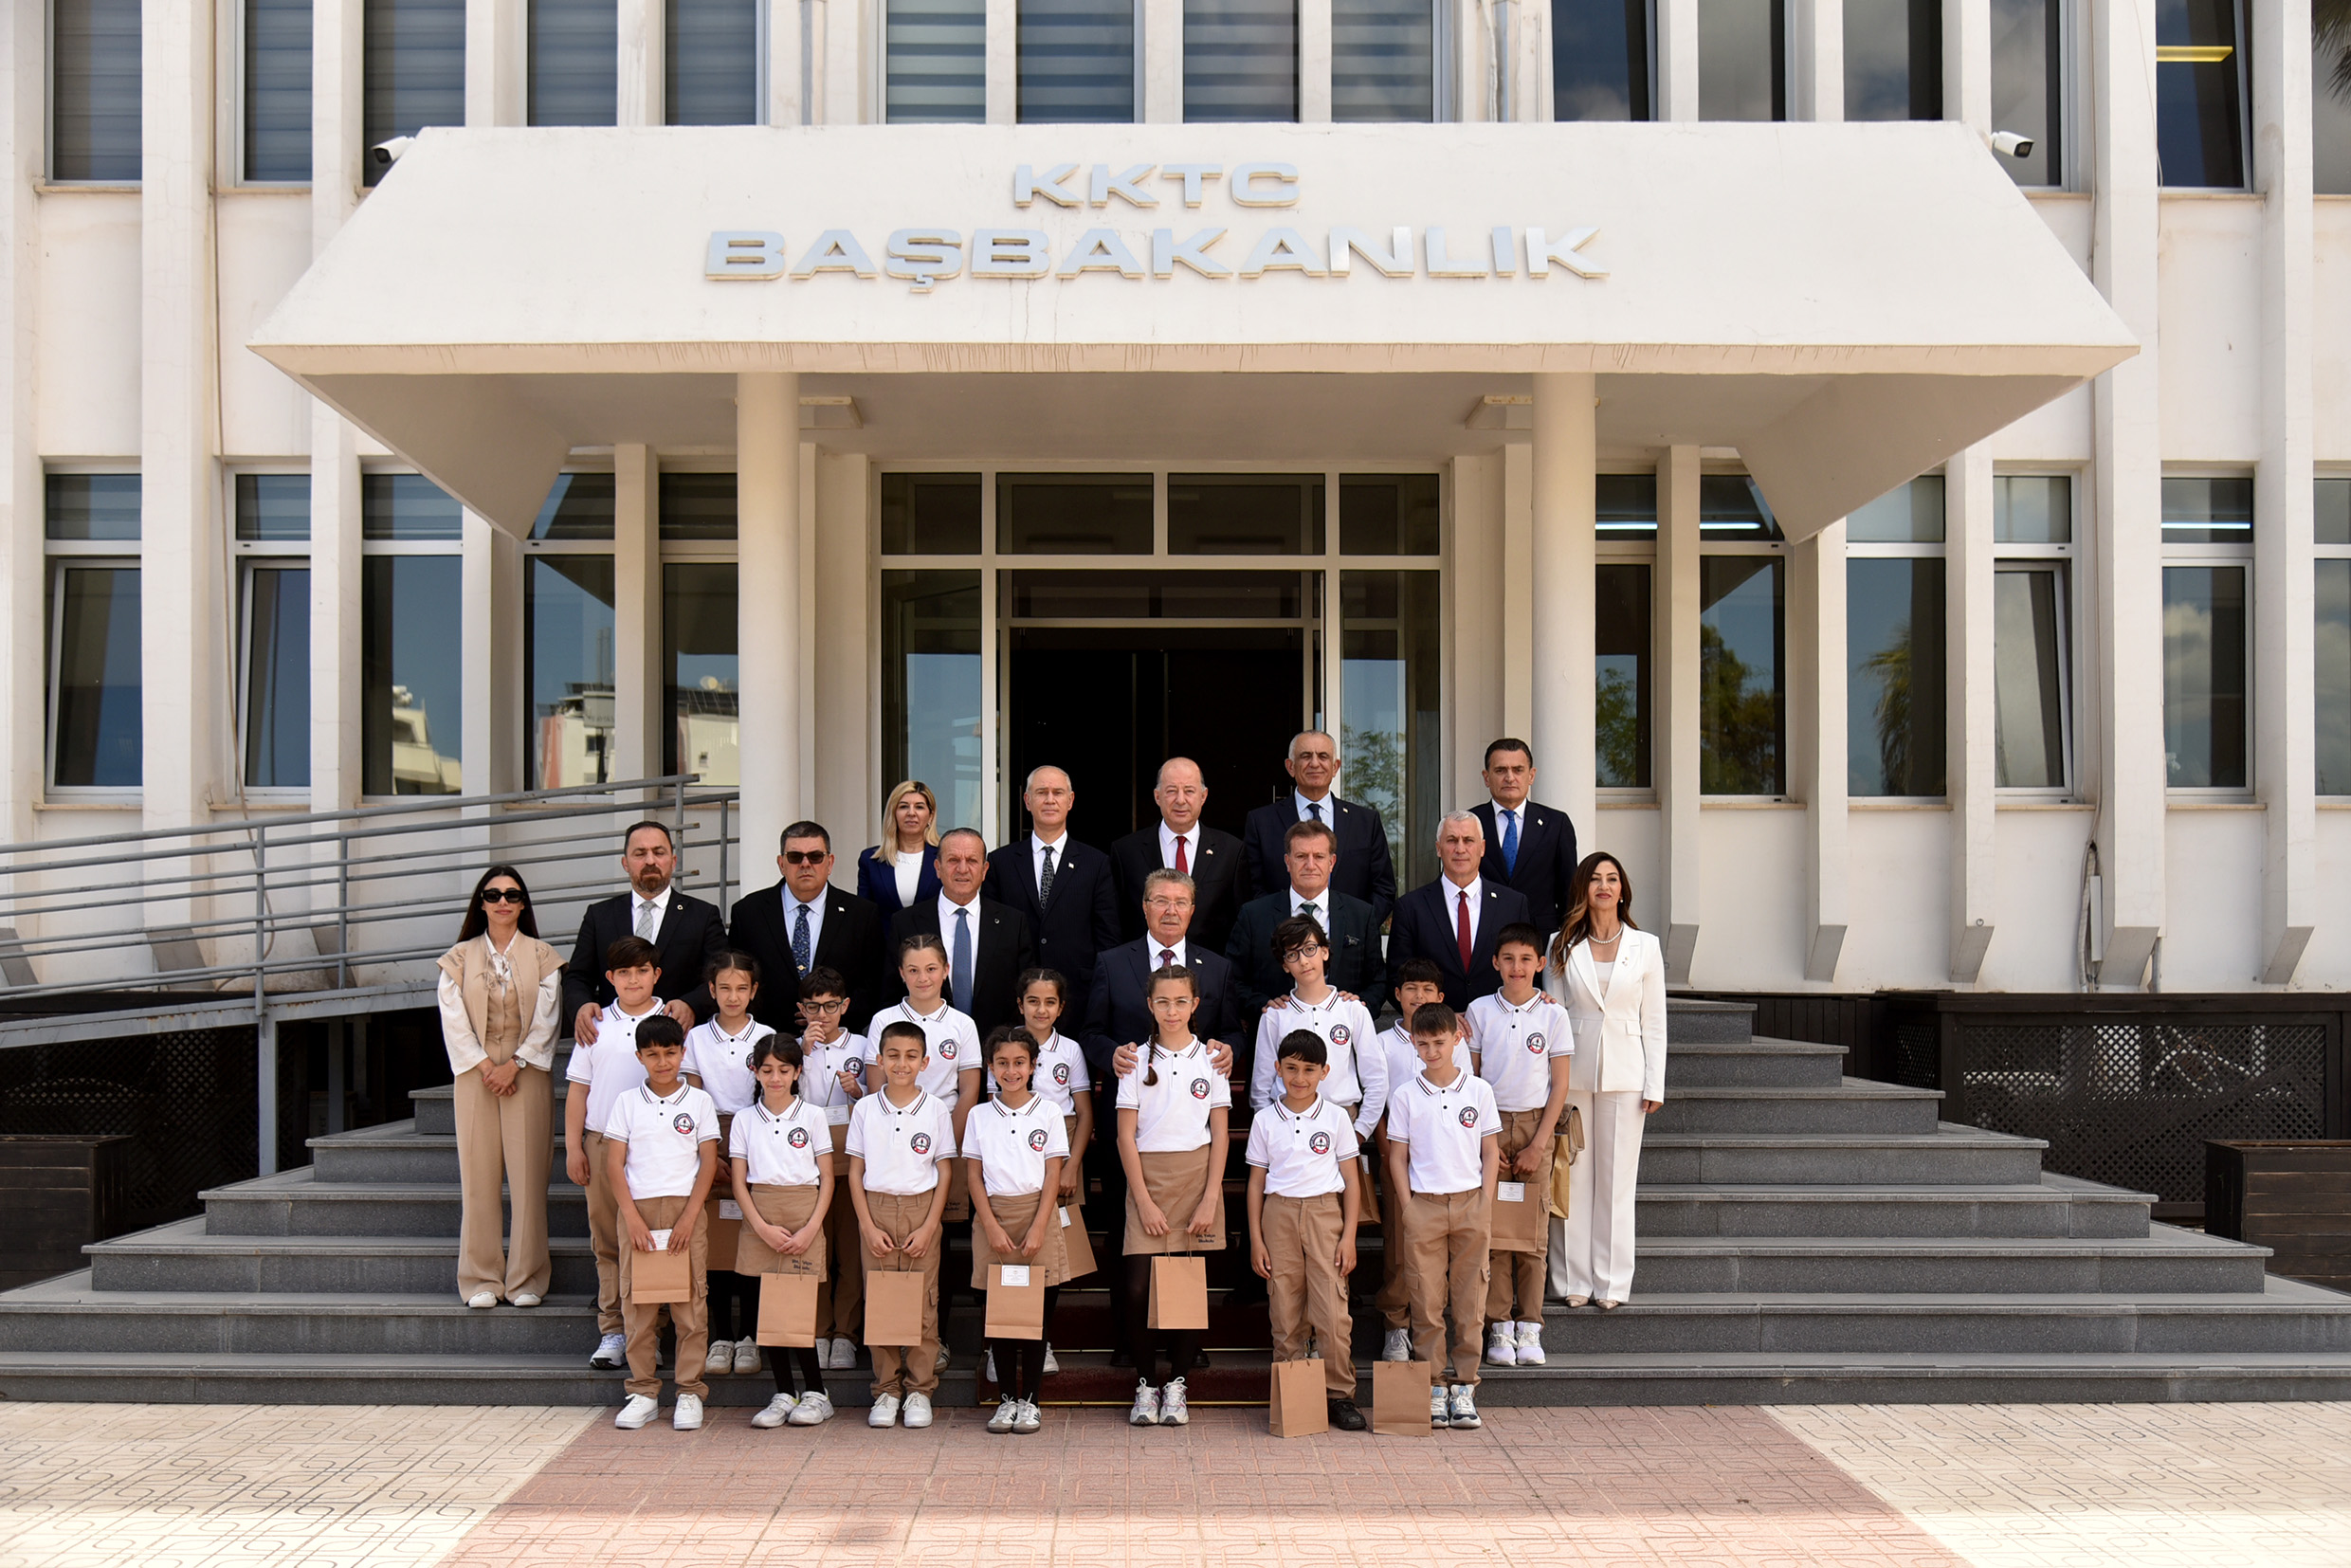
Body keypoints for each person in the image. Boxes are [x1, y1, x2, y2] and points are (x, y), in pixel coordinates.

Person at [1544, 852, 1668, 1311]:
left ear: (1622, 890)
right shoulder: (1560, 944)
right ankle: (1571, 1279)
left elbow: (1654, 1020)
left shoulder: (1646, 946)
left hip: (1627, 1073)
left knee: (1617, 1182)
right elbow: (1553, 1017)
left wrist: (1655, 1083)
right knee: (1572, 1177)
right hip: (1572, 1074)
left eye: (1612, 879)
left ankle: (1612, 1282)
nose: (1604, 886)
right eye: (1595, 878)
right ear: (1583, 887)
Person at [436, 866, 561, 1311]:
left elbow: (548, 1018)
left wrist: (516, 1064)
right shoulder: (458, 957)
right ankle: (480, 1278)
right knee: (478, 1176)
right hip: (476, 1073)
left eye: (511, 894)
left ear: (523, 903)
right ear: (482, 903)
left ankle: (527, 1277)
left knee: (529, 1178)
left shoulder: (544, 956)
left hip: (527, 1070)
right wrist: (487, 1065)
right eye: (493, 895)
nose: (503, 902)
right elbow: (453, 1019)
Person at [1116, 965, 1230, 1429]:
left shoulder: (1212, 1060)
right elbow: (1125, 1136)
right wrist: (1143, 1200)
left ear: (1195, 1004)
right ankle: (1146, 1384)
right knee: (1137, 1288)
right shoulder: (1134, 1061)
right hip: (1148, 1179)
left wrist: (1210, 1198)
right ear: (1150, 1005)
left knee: (1186, 1287)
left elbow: (1219, 1134)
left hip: (1197, 1178)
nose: (1172, 1011)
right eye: (1162, 1002)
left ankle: (1178, 1384)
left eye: (1181, 1001)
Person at [1385, 1002, 1501, 1431]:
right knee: (1426, 1300)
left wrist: (1485, 1200)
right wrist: (1408, 1206)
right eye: (1423, 1044)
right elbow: (1397, 1156)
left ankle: (1465, 1385)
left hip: (1471, 1203)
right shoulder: (1405, 1095)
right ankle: (1433, 1385)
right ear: (1414, 1045)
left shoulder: (1479, 1091)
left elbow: (1490, 1152)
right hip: (1425, 1206)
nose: (1432, 1051)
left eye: (1439, 1042)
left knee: (1470, 1301)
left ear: (1457, 1039)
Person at [1245, 1029, 1367, 1432]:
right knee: (1285, 1310)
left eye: (1309, 1070)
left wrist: (1349, 1236)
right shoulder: (1265, 1120)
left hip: (1324, 1214)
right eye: (1292, 1068)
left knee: (1332, 1311)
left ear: (1324, 1072)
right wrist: (1257, 1240)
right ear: (1277, 1069)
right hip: (1278, 1215)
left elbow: (1352, 1181)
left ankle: (1339, 1395)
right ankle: (1294, 1395)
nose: (1300, 1078)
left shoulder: (1335, 1117)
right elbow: (1256, 1184)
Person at [606, 1014, 720, 1431]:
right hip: (637, 1211)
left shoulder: (699, 1102)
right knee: (639, 1304)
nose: (663, 1062)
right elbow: (614, 1164)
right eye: (652, 1054)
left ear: (682, 1053)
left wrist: (690, 1215)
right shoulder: (626, 1102)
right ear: (640, 1057)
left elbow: (708, 1162)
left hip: (685, 1210)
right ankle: (642, 1391)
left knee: (690, 1304)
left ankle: (689, 1391)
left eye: (670, 1053)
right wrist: (632, 1218)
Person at [1467, 922, 1573, 1369]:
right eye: (1508, 959)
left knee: (1531, 1235)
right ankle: (1499, 1325)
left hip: (1534, 1127)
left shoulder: (1553, 1015)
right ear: (1495, 962)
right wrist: (1486, 1141)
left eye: (1526, 959)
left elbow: (1560, 1085)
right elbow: (1471, 1078)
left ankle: (1529, 1324)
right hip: (1490, 1127)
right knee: (1492, 1231)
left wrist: (1538, 1144)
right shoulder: (1479, 1011)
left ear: (1540, 964)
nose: (1517, 967)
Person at [846, 1020, 958, 1430]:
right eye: (893, 1055)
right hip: (876, 1209)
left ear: (925, 1062)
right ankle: (886, 1389)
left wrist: (930, 1226)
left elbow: (944, 1172)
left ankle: (919, 1389)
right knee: (881, 1302)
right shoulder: (864, 1109)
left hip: (920, 1210)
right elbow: (855, 1171)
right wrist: (866, 1225)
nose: (901, 1063)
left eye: (911, 1056)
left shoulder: (936, 1109)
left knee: (922, 1304)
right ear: (879, 1059)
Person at [964, 1029, 1073, 1435]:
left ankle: (1031, 1401)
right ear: (990, 1067)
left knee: (1035, 1321)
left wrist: (1039, 1226)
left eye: (1020, 1063)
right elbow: (973, 1176)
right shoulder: (979, 1115)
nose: (1011, 1071)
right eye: (1003, 1063)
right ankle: (1006, 1399)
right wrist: (990, 1225)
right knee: (1001, 1320)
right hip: (994, 1219)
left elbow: (1053, 1175)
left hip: (1036, 1218)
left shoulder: (1048, 1112)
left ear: (1033, 1066)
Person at [563, 935, 665, 1370]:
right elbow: (578, 1091)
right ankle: (614, 1330)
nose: (633, 979)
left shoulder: (673, 1020)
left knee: (652, 1241)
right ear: (610, 977)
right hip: (602, 1141)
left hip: (657, 1147)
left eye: (642, 971)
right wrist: (573, 1147)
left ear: (656, 974)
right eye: (624, 972)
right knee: (607, 1241)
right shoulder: (596, 1025)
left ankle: (650, 1333)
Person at [726, 1034, 836, 1428]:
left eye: (784, 1070)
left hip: (804, 1213)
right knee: (767, 1310)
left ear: (797, 1072)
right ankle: (784, 1392)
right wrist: (760, 1227)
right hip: (761, 1216)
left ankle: (817, 1393)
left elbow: (827, 1178)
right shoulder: (744, 1120)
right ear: (755, 1072)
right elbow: (739, 1182)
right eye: (767, 1070)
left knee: (798, 1309)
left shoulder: (812, 1116)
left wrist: (811, 1228)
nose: (775, 1078)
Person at [682, 953, 773, 1378]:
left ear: (753, 991)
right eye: (724, 988)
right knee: (716, 1242)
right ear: (711, 990)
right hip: (711, 1137)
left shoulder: (767, 1035)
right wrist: (710, 1154)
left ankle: (751, 1335)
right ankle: (721, 1335)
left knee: (752, 1239)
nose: (733, 996)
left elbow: (773, 1094)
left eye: (741, 988)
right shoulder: (697, 1038)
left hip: (757, 1137)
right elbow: (693, 1096)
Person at [1370, 957, 1463, 1361]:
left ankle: (1433, 1326)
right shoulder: (1382, 1043)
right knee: (1399, 1242)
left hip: (1443, 1159)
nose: (1418, 996)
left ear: (1439, 996)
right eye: (1411, 989)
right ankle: (1396, 1325)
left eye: (1427, 989)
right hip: (1398, 1157)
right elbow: (1375, 1099)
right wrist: (1386, 1148)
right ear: (1397, 995)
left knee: (1441, 1247)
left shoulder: (1454, 1039)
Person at [564, 821, 727, 1042]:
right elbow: (577, 977)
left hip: (679, 1041)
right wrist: (582, 1005)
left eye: (659, 852)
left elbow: (721, 975)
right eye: (640, 854)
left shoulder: (703, 915)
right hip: (613, 1038)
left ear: (673, 861)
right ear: (625, 863)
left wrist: (691, 1004)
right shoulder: (599, 916)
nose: (650, 861)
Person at [1007, 968, 1090, 1381]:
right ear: (1019, 1004)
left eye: (1050, 1002)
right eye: (1033, 1001)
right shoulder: (1006, 1045)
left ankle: (1042, 1339)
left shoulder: (1070, 1050)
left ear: (1061, 1007)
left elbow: (1085, 1113)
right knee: (1010, 1252)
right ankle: (1004, 1340)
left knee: (1051, 1255)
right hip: (1013, 1158)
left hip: (1060, 1156)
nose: (1041, 1009)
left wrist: (1072, 1165)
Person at [728, 822, 889, 1033]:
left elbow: (873, 983)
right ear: (781, 863)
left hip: (839, 1039)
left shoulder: (861, 914)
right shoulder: (748, 913)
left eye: (815, 857)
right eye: (795, 857)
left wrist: (828, 1017)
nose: (805, 864)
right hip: (768, 1040)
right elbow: (738, 978)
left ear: (830, 863)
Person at [1224, 819, 1388, 1019]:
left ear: (1331, 862)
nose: (1310, 865)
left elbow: (1378, 982)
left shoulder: (1361, 915)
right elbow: (1232, 980)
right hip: (1275, 1031)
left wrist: (1358, 1007)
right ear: (1287, 862)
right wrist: (1264, 1007)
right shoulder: (1253, 915)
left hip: (1343, 1031)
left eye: (1319, 856)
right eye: (1301, 856)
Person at [1247, 916, 1386, 1150]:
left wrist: (1360, 1131)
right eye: (1293, 955)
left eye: (1310, 949)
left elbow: (1376, 1078)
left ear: (1325, 952)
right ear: (1285, 965)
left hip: (1343, 1121)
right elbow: (1261, 1086)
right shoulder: (1275, 1016)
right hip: (1287, 1123)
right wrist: (1271, 1131)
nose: (1303, 961)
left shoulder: (1352, 1010)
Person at [984, 765, 1120, 1002]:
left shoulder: (1096, 863)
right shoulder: (1000, 862)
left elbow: (1107, 939)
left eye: (1057, 793)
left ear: (1070, 800)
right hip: (1016, 995)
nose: (1050, 800)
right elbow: (991, 934)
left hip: (1077, 996)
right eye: (1041, 792)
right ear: (1027, 801)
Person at [791, 965, 867, 1371]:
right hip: (806, 1164)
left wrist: (858, 1090)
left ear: (845, 1005)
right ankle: (818, 1330)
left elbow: (881, 1097)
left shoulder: (863, 1045)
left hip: (851, 1159)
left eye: (831, 1006)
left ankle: (845, 1335)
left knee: (849, 1252)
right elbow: (781, 1095)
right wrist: (803, 1053)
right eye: (813, 1007)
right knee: (816, 1249)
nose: (822, 1015)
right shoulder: (793, 1048)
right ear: (801, 1008)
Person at [889, 828, 1036, 1037]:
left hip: (996, 1048)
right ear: (938, 867)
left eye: (972, 861)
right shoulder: (905, 922)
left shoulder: (1013, 923)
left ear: (984, 870)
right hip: (925, 1048)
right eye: (953, 860)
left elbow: (1025, 993)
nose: (962, 869)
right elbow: (891, 993)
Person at [1239, 731, 1396, 925]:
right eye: (1306, 756)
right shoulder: (1261, 822)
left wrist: (1355, 930)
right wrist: (1288, 933)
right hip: (1281, 939)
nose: (1314, 763)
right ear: (1290, 767)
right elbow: (1252, 889)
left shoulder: (1365, 822)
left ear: (1335, 767)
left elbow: (1384, 889)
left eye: (1323, 756)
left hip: (1348, 940)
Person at [1386, 812, 1534, 1013]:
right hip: (1434, 1029)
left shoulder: (1513, 904)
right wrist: (1441, 1019)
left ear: (1482, 848)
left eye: (1468, 840)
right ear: (1438, 849)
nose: (1460, 849)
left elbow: (1527, 969)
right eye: (1452, 840)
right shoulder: (1410, 907)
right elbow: (1397, 979)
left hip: (1500, 1024)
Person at [1109, 757, 1248, 954]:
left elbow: (1240, 924)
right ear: (1157, 796)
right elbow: (1115, 922)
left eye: (1189, 791)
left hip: (1210, 967)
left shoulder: (1231, 851)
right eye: (1171, 791)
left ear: (1203, 796)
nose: (1181, 800)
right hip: (1143, 966)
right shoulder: (1126, 852)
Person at [1470, 738, 1581, 936]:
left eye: (1518, 770)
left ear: (1531, 775)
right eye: (1500, 770)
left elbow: (1570, 893)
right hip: (1482, 938)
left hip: (1541, 940)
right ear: (1486, 777)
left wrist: (1567, 942)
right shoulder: (1469, 823)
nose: (1510, 778)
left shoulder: (1556, 824)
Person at [855, 780, 943, 918]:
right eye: (903, 806)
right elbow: (863, 913)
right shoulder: (871, 860)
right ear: (893, 813)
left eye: (919, 807)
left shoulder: (944, 857)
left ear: (930, 816)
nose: (911, 813)